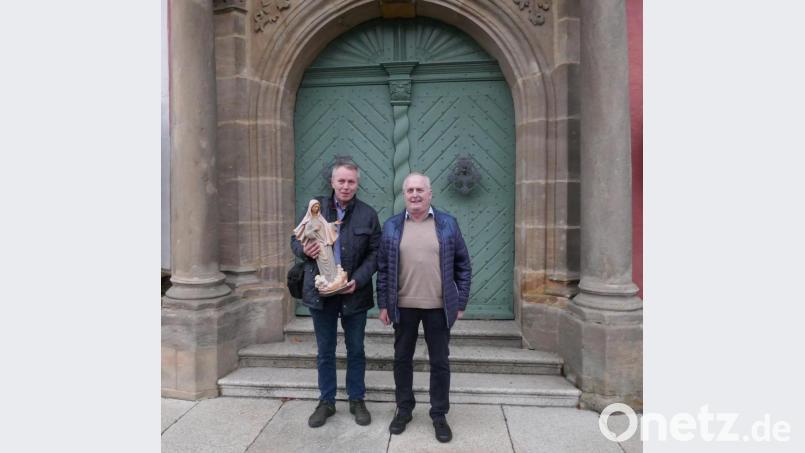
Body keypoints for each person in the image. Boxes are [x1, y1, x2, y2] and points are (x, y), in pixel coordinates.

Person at [376, 172, 472, 443]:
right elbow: (383, 269)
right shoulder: (392, 226)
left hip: (439, 308)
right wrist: (383, 303)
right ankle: (404, 409)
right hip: (403, 307)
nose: (415, 194)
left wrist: (460, 302)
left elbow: (463, 266)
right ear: (404, 195)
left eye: (420, 189)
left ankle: (439, 414)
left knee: (440, 362)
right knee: (401, 360)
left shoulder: (447, 224)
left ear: (430, 193)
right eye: (410, 190)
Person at [290, 161, 381, 428]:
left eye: (351, 181)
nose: (345, 186)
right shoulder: (314, 208)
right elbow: (295, 239)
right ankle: (326, 401)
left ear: (357, 184)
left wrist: (358, 279)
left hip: (353, 291)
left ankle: (356, 399)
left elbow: (376, 254)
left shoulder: (368, 214)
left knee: (356, 350)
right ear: (332, 182)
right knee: (325, 350)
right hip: (321, 292)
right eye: (341, 181)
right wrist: (303, 250)